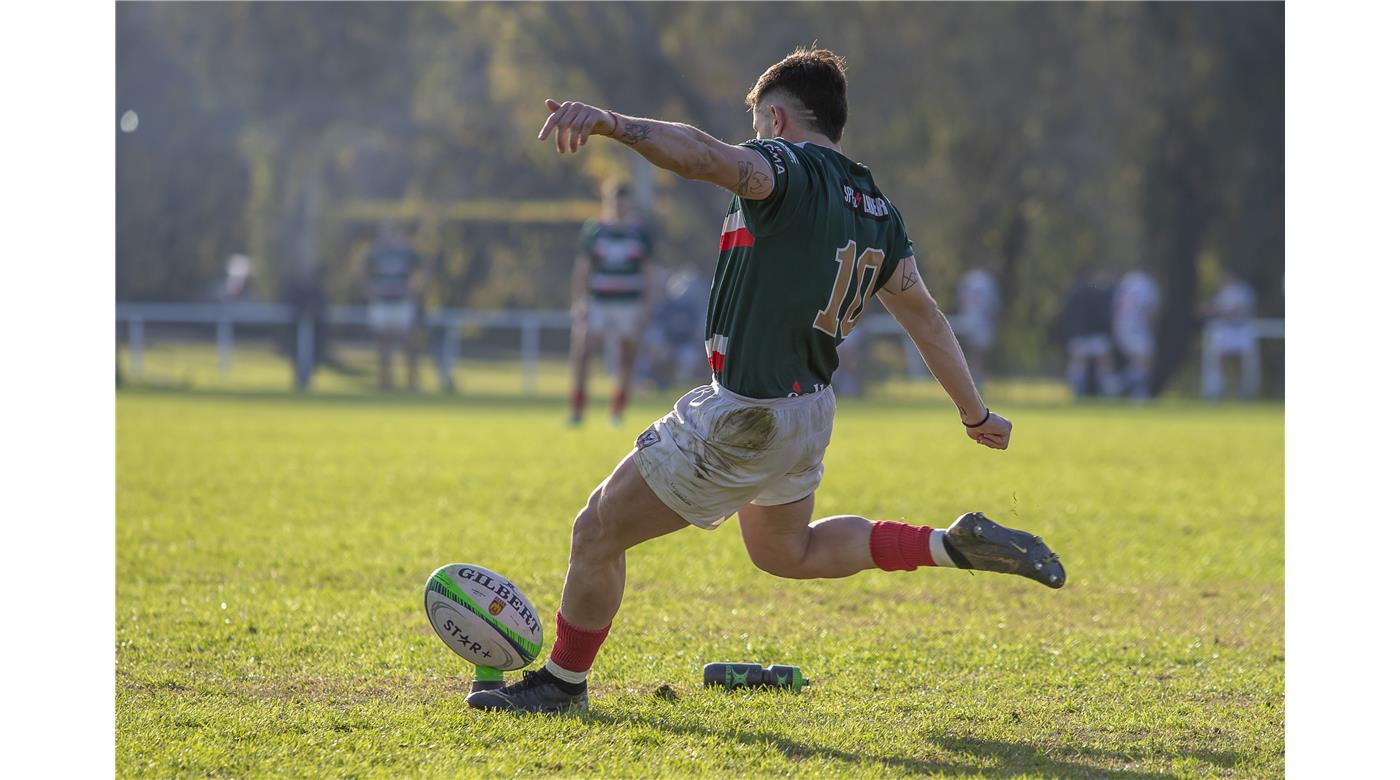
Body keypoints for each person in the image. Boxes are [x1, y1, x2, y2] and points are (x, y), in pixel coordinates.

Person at [469, 47, 1065, 715]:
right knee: (788, 552)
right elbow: (924, 316)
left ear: (777, 120)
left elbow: (702, 156)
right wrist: (974, 413)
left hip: (746, 414)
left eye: (756, 127)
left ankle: (562, 683)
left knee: (596, 531)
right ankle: (946, 545)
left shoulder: (787, 168)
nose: (750, 143)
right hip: (808, 409)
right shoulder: (876, 207)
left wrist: (610, 122)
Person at [568, 181, 656, 426]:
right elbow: (583, 267)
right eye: (615, 200)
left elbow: (648, 271)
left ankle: (617, 411)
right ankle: (577, 408)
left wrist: (647, 306)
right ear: (608, 202)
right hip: (599, 301)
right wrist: (578, 301)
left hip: (629, 303)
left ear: (629, 203)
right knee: (583, 350)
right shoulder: (595, 229)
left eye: (623, 200)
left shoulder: (640, 232)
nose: (619, 205)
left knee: (626, 357)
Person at [364, 223, 423, 392]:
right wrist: (369, 291)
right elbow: (363, 273)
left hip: (401, 303)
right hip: (382, 302)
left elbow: (422, 271)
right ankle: (385, 383)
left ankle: (412, 383)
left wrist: (413, 290)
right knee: (383, 344)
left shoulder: (407, 253)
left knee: (408, 342)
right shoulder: (375, 253)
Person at [1059, 268, 1120, 399]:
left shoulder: (1074, 294)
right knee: (1101, 366)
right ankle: (1106, 393)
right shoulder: (1099, 293)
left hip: (1081, 337)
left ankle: (1078, 393)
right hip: (1092, 337)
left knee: (1082, 364)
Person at [1201, 271, 1260, 400]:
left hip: (1241, 329)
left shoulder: (1242, 292)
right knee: (1219, 358)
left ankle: (1245, 391)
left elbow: (1238, 310)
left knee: (1244, 360)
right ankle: (1219, 389)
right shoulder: (1222, 294)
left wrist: (1219, 311)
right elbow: (1216, 309)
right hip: (1226, 331)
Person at [1112, 265, 1161, 400]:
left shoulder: (1126, 281)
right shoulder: (1148, 284)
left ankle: (1135, 391)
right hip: (1137, 328)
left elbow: (1116, 307)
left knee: (1139, 363)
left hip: (1121, 327)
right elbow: (1150, 311)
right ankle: (1117, 386)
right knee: (1145, 361)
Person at [956, 267, 1001, 386]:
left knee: (967, 353)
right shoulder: (988, 282)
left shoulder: (969, 278)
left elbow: (961, 298)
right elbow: (992, 306)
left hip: (966, 319)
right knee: (978, 355)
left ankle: (967, 379)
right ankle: (975, 381)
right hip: (981, 321)